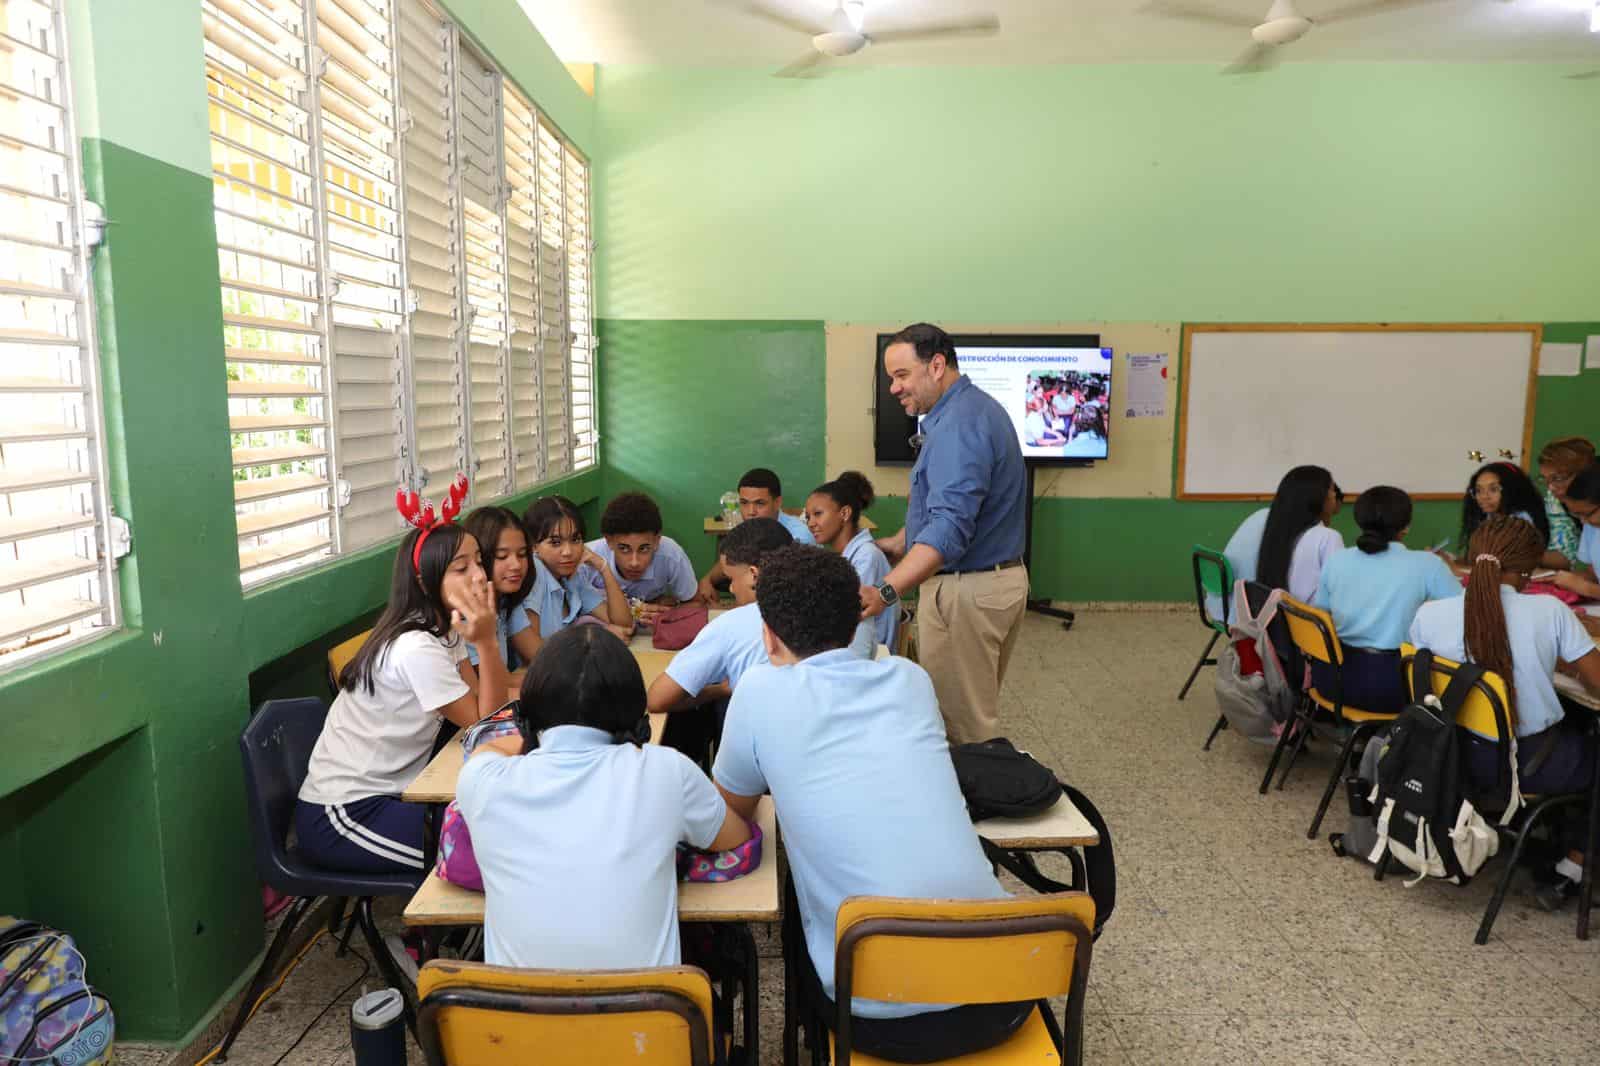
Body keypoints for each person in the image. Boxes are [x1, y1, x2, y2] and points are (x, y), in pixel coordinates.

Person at [713, 545, 1028, 1062]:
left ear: (767, 634)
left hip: (875, 1017)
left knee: (800, 904)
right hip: (1006, 992)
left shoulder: (758, 692)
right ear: (856, 618)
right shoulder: (911, 680)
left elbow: (729, 816)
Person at [456, 627, 750, 969]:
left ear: (530, 711)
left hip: (510, 1020)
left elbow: (485, 747)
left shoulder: (482, 781)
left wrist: (532, 743)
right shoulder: (666, 771)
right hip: (647, 1017)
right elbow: (734, 836)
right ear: (634, 709)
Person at [295, 519, 507, 876]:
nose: (479, 576)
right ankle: (428, 932)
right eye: (461, 567)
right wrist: (486, 642)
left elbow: (485, 701)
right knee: (488, 843)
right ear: (425, 580)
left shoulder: (443, 631)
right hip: (344, 815)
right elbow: (486, 722)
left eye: (479, 561)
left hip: (394, 796)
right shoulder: (415, 647)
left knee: (497, 822)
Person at [1409, 515, 1600, 908]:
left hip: (1449, 757)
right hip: (1526, 764)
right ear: (1531, 568)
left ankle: (1545, 837)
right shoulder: (1550, 611)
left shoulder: (1429, 614)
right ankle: (1573, 866)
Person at [861, 323, 1030, 745]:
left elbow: (950, 530)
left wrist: (883, 591)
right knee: (966, 711)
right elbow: (947, 511)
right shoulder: (968, 411)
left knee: (962, 729)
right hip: (988, 583)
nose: (894, 388)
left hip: (966, 591)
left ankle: (972, 807)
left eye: (901, 376)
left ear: (937, 366)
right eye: (890, 378)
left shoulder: (958, 426)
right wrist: (897, 543)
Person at [1311, 487, 1460, 713]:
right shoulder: (1428, 564)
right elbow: (1463, 612)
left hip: (1332, 680)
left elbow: (1321, 615)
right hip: (1394, 687)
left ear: (1359, 520)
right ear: (1406, 526)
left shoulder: (1336, 561)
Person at [647, 518, 793, 715]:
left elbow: (657, 700)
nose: (731, 588)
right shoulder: (826, 608)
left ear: (753, 575)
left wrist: (720, 690)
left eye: (731, 579)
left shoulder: (730, 625)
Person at [520, 495, 633, 652]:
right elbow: (534, 651)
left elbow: (623, 624)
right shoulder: (534, 573)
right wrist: (589, 638)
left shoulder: (572, 576)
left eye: (575, 539)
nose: (568, 552)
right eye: (555, 542)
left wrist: (603, 567)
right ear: (533, 546)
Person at [1219, 465, 1343, 605]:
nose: (1334, 495)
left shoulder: (1276, 530)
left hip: (1279, 621)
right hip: (1313, 624)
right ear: (1318, 496)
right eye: (1331, 489)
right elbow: (1340, 595)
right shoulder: (1328, 537)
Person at [806, 470, 897, 654]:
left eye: (818, 514)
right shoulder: (849, 555)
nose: (811, 523)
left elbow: (851, 615)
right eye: (808, 517)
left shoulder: (866, 556)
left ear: (845, 513)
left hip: (871, 653)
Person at [694, 467, 814, 604]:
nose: (751, 512)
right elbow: (731, 558)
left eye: (760, 503)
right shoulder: (751, 527)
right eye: (744, 503)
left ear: (778, 502)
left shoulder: (800, 537)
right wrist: (707, 580)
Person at [585, 491, 698, 626]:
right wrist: (633, 610)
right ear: (609, 541)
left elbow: (693, 603)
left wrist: (671, 615)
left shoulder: (671, 555)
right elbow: (572, 609)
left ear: (656, 541)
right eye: (624, 549)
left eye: (644, 549)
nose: (634, 562)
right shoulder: (588, 559)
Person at [461, 507, 538, 670]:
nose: (516, 565)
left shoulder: (504, 599)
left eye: (522, 554)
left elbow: (539, 656)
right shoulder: (468, 616)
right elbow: (495, 687)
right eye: (502, 556)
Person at [1454, 462, 1548, 565]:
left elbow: (1501, 561)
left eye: (1493, 489)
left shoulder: (1520, 521)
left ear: (1512, 490)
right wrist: (1451, 561)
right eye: (1478, 490)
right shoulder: (1489, 516)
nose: (1484, 496)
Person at [1538, 437, 1595, 569]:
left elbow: (1567, 559)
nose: (1550, 488)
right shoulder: (1554, 499)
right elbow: (1592, 573)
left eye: (1557, 478)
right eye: (1545, 480)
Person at [1550, 465, 1600, 601]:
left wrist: (1586, 588)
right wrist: (1556, 578)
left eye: (1587, 514)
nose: (1583, 521)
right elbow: (1593, 574)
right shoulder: (1592, 526)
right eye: (1578, 515)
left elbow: (1589, 586)